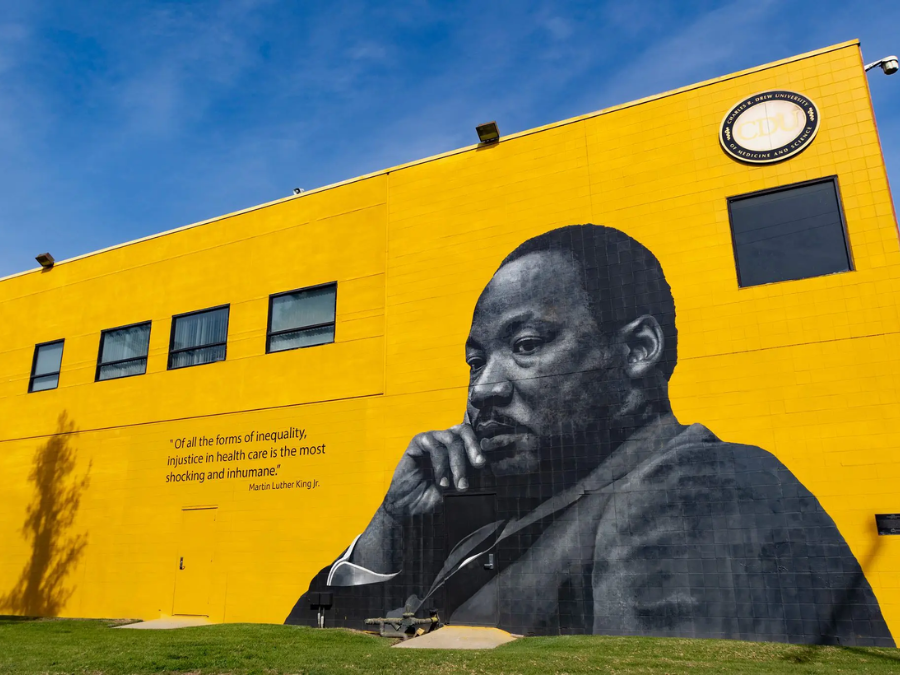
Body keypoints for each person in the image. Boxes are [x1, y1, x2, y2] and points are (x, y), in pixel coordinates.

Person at [286, 224, 892, 646]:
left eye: (526, 346)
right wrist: (389, 531)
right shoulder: (488, 526)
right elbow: (303, 656)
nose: (483, 390)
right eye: (476, 362)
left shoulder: (693, 489)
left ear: (637, 350)